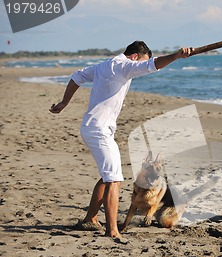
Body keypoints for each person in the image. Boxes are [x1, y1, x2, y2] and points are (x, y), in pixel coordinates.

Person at [49, 41, 193, 240]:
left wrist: (64, 102)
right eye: (143, 60)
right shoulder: (124, 66)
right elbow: (154, 65)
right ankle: (112, 230)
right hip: (98, 130)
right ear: (135, 56)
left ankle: (91, 219)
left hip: (96, 128)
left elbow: (77, 76)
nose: (141, 66)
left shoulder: (104, 66)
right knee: (114, 178)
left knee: (107, 175)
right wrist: (176, 56)